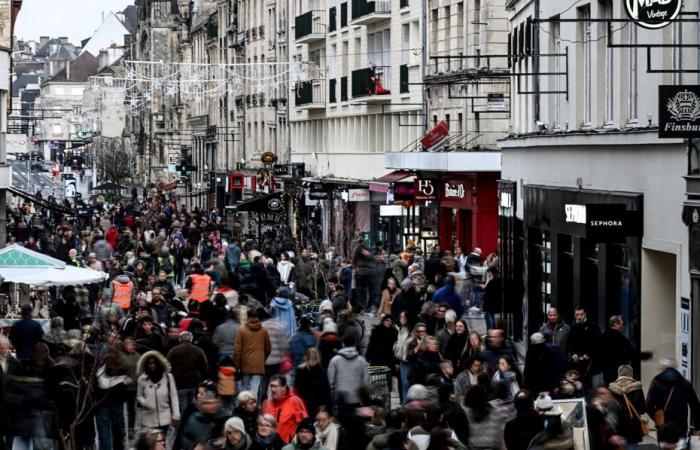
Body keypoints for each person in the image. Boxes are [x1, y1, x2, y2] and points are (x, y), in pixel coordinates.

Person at [646, 358, 700, 438]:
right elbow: (695, 406)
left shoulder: (656, 383)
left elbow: (648, 405)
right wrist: (697, 426)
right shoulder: (685, 383)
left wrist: (657, 418)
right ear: (675, 368)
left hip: (663, 426)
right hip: (680, 426)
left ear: (663, 369)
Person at [136, 350, 180, 432]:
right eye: (150, 363)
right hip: (148, 419)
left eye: (154, 363)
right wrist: (145, 402)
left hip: (165, 418)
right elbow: (139, 395)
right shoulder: (142, 379)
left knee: (161, 442)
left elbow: (174, 396)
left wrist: (176, 414)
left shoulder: (168, 377)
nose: (152, 365)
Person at [167, 331, 209, 415]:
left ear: (180, 339)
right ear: (191, 339)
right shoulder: (198, 350)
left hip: (179, 383)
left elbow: (168, 366)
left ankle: (184, 423)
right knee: (194, 405)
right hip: (194, 382)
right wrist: (203, 379)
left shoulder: (174, 350)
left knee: (183, 407)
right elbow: (205, 366)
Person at [234, 308, 272, 400]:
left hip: (245, 364)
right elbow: (268, 348)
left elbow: (237, 350)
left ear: (248, 316)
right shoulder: (264, 330)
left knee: (244, 389)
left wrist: (237, 366)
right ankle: (253, 408)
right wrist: (262, 359)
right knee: (254, 388)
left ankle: (244, 407)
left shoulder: (241, 330)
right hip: (258, 364)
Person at [261, 374, 309, 443]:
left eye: (275, 386)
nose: (272, 389)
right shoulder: (267, 403)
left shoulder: (295, 401)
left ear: (284, 387)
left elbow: (305, 425)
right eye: (271, 386)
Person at [609, 365, 647, 449]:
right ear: (631, 374)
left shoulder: (612, 390)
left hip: (618, 426)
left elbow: (610, 409)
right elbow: (643, 409)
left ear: (618, 374)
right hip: (633, 426)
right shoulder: (637, 389)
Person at [327, 335, 370, 409]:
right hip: (357, 398)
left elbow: (330, 381)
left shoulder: (335, 360)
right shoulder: (361, 361)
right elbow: (366, 381)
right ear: (354, 344)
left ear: (343, 344)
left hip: (340, 398)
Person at [598, 315, 638, 384]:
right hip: (618, 372)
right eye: (622, 324)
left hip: (606, 372)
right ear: (616, 325)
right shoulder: (620, 338)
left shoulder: (603, 336)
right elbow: (631, 352)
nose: (623, 326)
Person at [294, 348, 333, 416]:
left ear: (306, 357)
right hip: (319, 403)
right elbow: (327, 390)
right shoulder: (322, 371)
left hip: (304, 403)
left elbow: (297, 387)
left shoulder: (301, 370)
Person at [567, 305, 601, 383]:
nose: (579, 317)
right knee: (576, 382)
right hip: (576, 360)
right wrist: (573, 353)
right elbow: (569, 342)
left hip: (591, 360)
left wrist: (588, 354)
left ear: (585, 314)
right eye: (577, 315)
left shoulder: (593, 326)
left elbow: (597, 343)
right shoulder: (573, 327)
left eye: (581, 314)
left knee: (588, 383)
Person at [523, 332, 559, 397]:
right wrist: (555, 386)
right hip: (546, 387)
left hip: (535, 388)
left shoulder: (531, 351)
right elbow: (553, 370)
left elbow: (527, 371)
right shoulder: (548, 351)